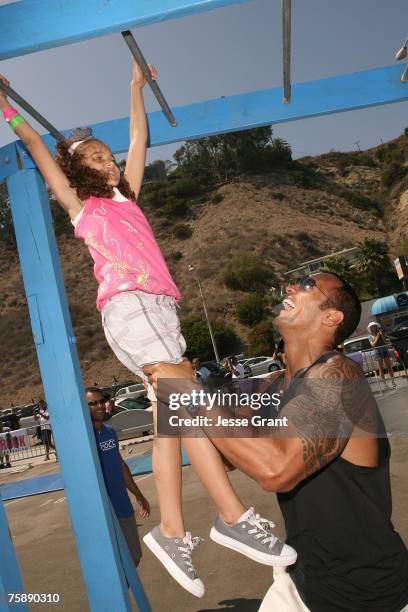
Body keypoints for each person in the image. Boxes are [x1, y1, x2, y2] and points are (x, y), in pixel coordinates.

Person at [0, 69, 293, 598]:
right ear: (77, 170)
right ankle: (229, 515)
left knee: (172, 422)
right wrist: (5, 105)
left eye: (109, 156)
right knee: (189, 410)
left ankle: (175, 531)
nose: (110, 161)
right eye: (97, 158)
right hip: (131, 308)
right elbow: (32, 142)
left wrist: (135, 89)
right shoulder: (80, 205)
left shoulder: (128, 199)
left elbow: (140, 139)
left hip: (162, 313)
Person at [149, 272, 408, 612]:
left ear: (332, 317)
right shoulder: (272, 388)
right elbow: (225, 450)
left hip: (369, 594)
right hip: (302, 580)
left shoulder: (339, 375)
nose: (291, 287)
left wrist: (191, 395)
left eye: (306, 285)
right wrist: (162, 390)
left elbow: (275, 470)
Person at [86, 386, 150, 567]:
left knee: (134, 558)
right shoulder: (84, 438)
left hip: (122, 504)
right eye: (92, 403)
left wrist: (139, 495)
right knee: (113, 562)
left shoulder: (109, 431)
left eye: (101, 401)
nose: (99, 406)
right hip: (102, 510)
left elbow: (121, 466)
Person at [368, 321, 397, 389]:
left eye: (375, 326)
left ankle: (393, 381)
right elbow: (373, 344)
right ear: (370, 328)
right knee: (381, 369)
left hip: (384, 351)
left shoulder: (381, 333)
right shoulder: (370, 336)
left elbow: (385, 342)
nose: (374, 328)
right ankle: (384, 384)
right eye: (372, 327)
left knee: (388, 366)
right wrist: (378, 336)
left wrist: (382, 335)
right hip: (377, 352)